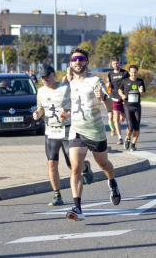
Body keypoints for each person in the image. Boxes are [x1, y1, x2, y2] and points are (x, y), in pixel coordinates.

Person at [60, 47, 121, 221]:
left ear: (86, 61)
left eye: (80, 59)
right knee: (76, 168)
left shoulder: (95, 81)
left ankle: (112, 182)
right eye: (74, 60)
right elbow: (76, 106)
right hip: (76, 130)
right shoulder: (71, 84)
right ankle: (77, 208)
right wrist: (67, 114)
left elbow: (110, 107)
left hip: (95, 131)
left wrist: (103, 97)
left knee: (103, 164)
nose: (77, 62)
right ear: (71, 63)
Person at [33, 65, 94, 206]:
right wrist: (37, 114)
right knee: (52, 163)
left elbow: (78, 105)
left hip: (67, 132)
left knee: (73, 166)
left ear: (54, 75)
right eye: (42, 77)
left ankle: (85, 168)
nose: (45, 79)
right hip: (50, 132)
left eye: (47, 76)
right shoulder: (41, 91)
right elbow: (41, 107)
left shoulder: (65, 89)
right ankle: (57, 194)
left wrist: (67, 113)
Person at [118, 65, 146, 151]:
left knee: (137, 127)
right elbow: (120, 90)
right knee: (130, 127)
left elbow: (144, 95)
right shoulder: (125, 81)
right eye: (132, 72)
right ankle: (128, 138)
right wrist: (122, 95)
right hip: (128, 106)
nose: (133, 74)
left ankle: (133, 144)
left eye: (135, 72)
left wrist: (141, 91)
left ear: (137, 72)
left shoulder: (140, 81)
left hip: (137, 107)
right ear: (129, 72)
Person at [107, 57, 129, 145]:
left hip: (123, 98)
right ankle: (120, 138)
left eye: (117, 63)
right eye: (113, 64)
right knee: (115, 118)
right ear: (111, 65)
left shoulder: (125, 73)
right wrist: (108, 86)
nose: (115, 65)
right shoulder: (110, 74)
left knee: (123, 118)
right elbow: (109, 85)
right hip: (114, 97)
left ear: (119, 64)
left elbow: (128, 83)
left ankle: (127, 135)